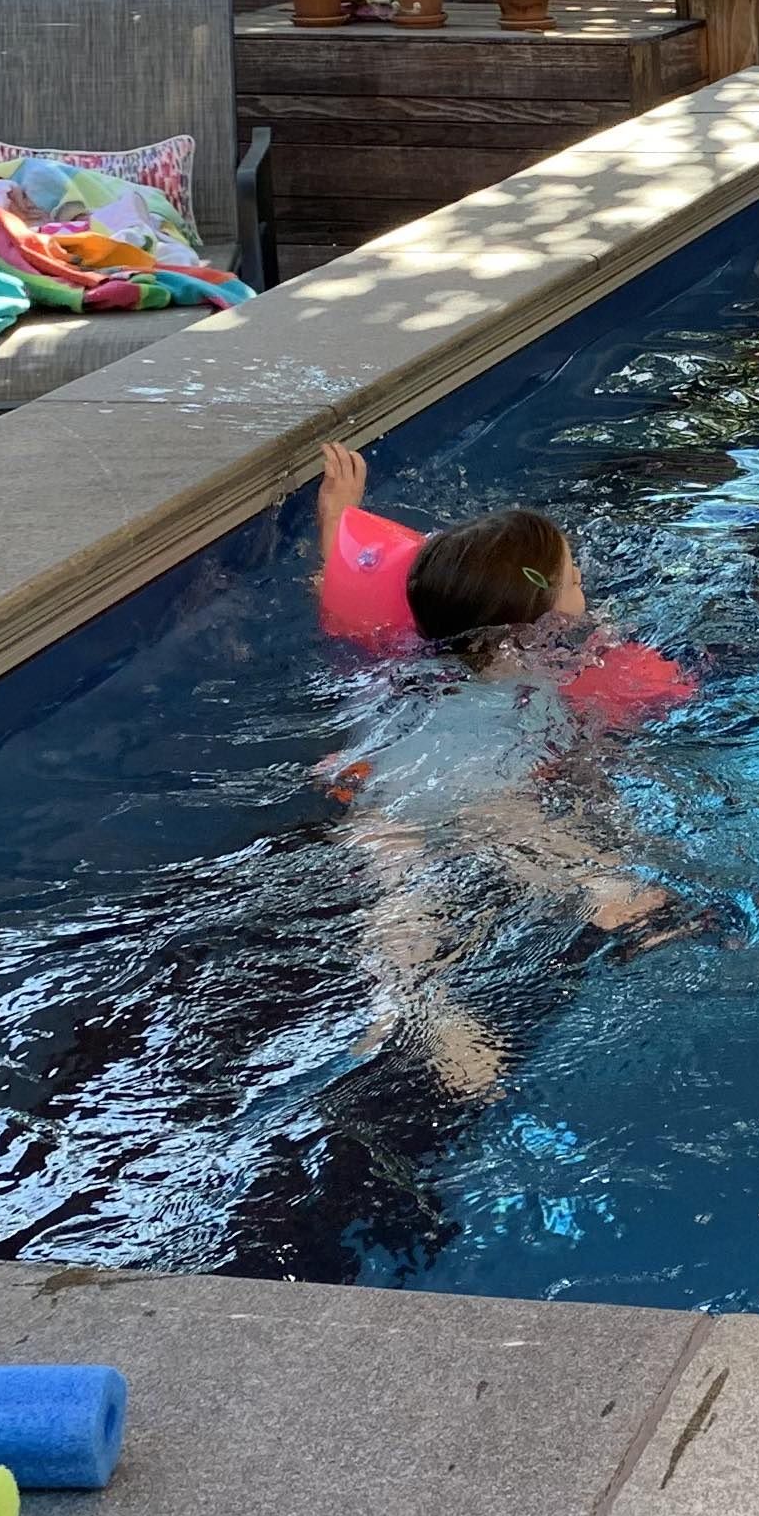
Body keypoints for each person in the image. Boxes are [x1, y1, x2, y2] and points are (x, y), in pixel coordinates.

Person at [312, 443, 669, 1103]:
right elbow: (604, 742)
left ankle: (416, 1004)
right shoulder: (546, 671)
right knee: (528, 835)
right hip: (487, 779)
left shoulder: (397, 645)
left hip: (385, 780)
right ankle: (603, 891)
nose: (583, 584)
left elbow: (341, 581)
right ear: (534, 626)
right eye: (574, 580)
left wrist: (339, 516)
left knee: (399, 899)